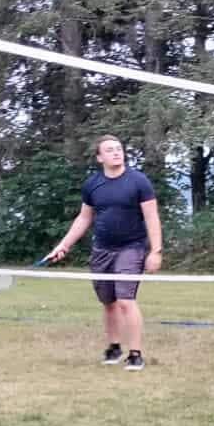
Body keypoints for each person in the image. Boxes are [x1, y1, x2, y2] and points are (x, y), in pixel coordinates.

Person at [46, 135, 163, 370]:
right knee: (108, 302)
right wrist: (63, 245)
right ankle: (114, 347)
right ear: (100, 157)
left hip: (132, 247)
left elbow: (152, 217)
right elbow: (84, 218)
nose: (116, 153)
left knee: (125, 300)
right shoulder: (93, 184)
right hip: (102, 249)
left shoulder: (139, 181)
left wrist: (156, 251)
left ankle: (135, 354)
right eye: (110, 150)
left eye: (119, 149)